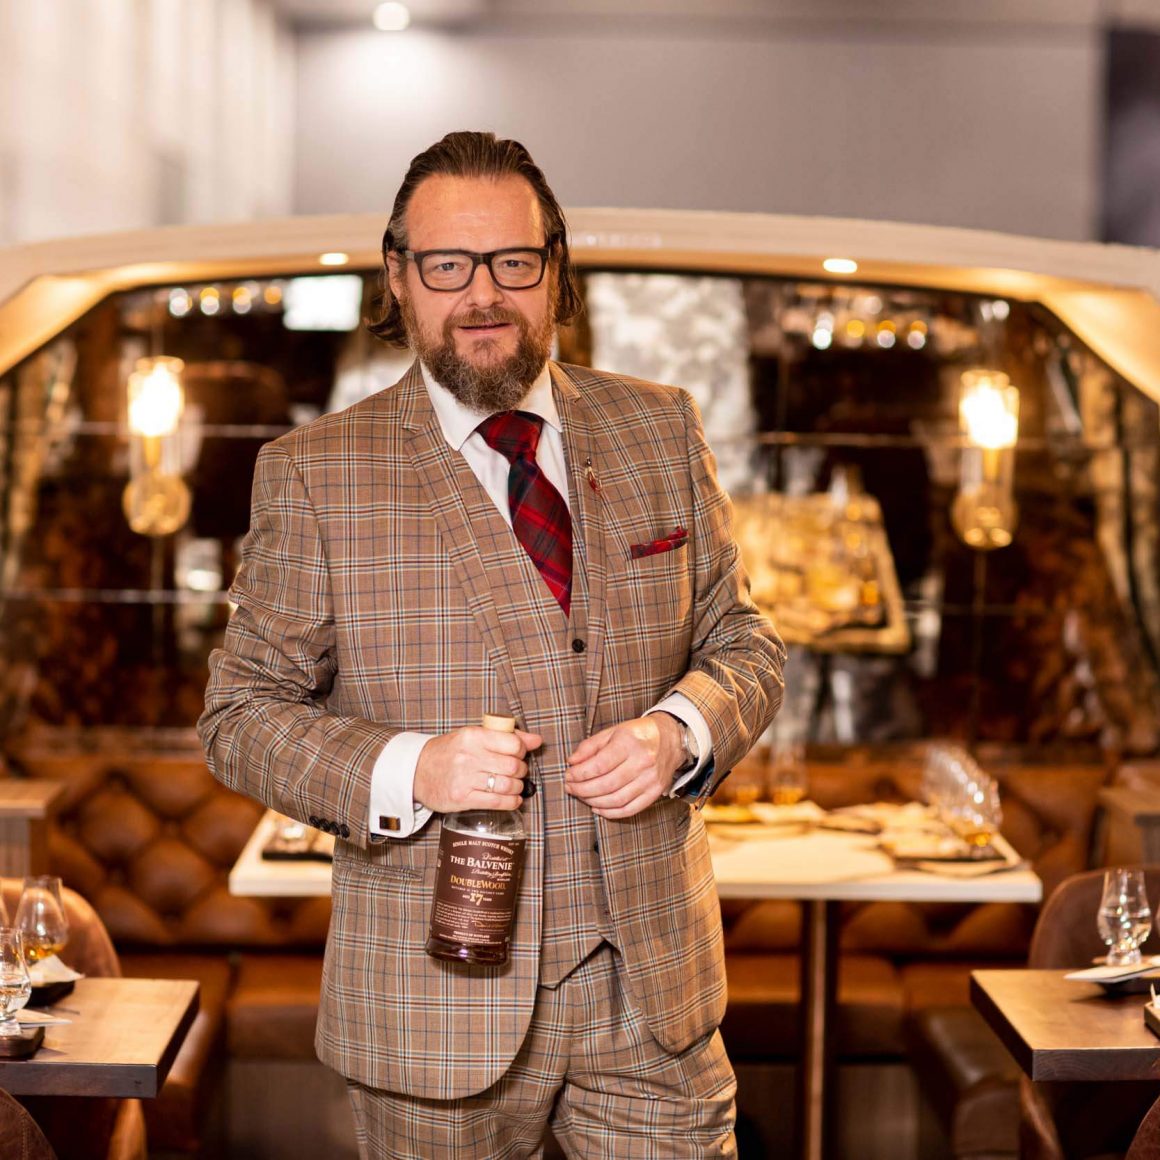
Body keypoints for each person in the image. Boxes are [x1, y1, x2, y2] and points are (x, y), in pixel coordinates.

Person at [199, 130, 785, 1160]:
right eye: (446, 265)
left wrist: (680, 729)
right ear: (398, 277)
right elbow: (238, 718)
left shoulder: (659, 429)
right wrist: (411, 766)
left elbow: (744, 641)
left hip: (652, 994)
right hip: (432, 1004)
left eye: (512, 262)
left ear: (554, 269)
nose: (481, 294)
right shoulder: (315, 471)